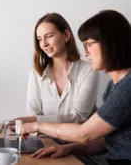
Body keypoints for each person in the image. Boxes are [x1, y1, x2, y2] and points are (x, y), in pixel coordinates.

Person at [21, 10, 131, 165]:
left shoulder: (127, 87)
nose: (86, 52)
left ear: (109, 43)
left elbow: (84, 133)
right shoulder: (112, 86)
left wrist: (36, 124)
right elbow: (105, 141)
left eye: (89, 45)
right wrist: (70, 148)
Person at [15, 13, 99, 124]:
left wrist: (36, 122)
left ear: (66, 35)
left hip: (80, 140)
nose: (44, 44)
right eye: (39, 39)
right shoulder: (36, 74)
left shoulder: (89, 70)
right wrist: (33, 122)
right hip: (46, 140)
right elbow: (32, 116)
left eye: (49, 36)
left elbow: (78, 117)